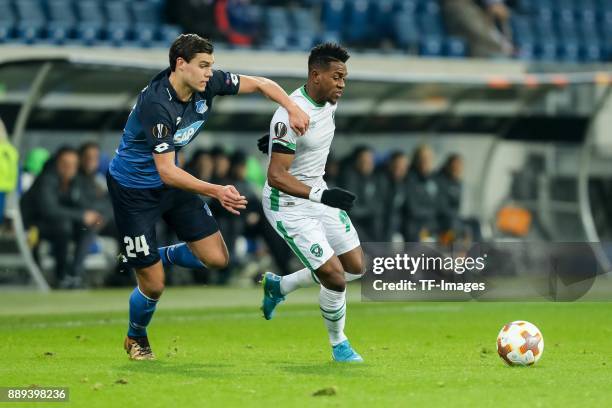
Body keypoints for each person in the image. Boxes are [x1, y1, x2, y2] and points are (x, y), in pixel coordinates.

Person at [106, 33, 309, 360]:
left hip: (172, 186)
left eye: (211, 66)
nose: (209, 72)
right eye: (203, 65)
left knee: (217, 259)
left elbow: (259, 84)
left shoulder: (208, 84)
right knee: (155, 285)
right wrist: (215, 190)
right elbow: (166, 171)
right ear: (180, 64)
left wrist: (291, 108)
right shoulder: (156, 104)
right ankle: (136, 336)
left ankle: (155, 256)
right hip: (135, 192)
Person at [258, 43, 364, 362]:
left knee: (355, 267)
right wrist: (281, 137)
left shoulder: (328, 101)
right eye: (337, 77)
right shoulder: (289, 115)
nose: (342, 84)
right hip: (287, 205)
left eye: (345, 77)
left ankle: (281, 286)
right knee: (334, 275)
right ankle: (339, 345)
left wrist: (282, 144)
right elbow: (277, 175)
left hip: (317, 193)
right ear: (316, 76)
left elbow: (305, 139)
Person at [21, 146, 103, 288]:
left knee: (88, 227)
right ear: (57, 163)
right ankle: (61, 275)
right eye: (65, 164)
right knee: (63, 226)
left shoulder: (75, 180)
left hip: (61, 224)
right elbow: (49, 210)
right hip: (34, 225)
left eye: (73, 164)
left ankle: (74, 274)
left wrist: (92, 215)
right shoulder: (46, 179)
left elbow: (84, 203)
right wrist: (82, 215)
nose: (70, 168)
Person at [339, 145, 380, 242]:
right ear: (356, 161)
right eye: (364, 160)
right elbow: (352, 209)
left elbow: (380, 204)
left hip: (369, 223)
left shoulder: (374, 178)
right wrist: (371, 210)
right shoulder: (348, 177)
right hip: (351, 224)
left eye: (370, 160)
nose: (368, 163)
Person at [403, 145, 439, 242]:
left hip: (432, 224)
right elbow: (412, 208)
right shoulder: (409, 179)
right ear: (416, 160)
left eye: (428, 159)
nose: (425, 162)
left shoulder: (434, 179)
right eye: (422, 158)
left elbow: (439, 205)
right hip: (414, 226)